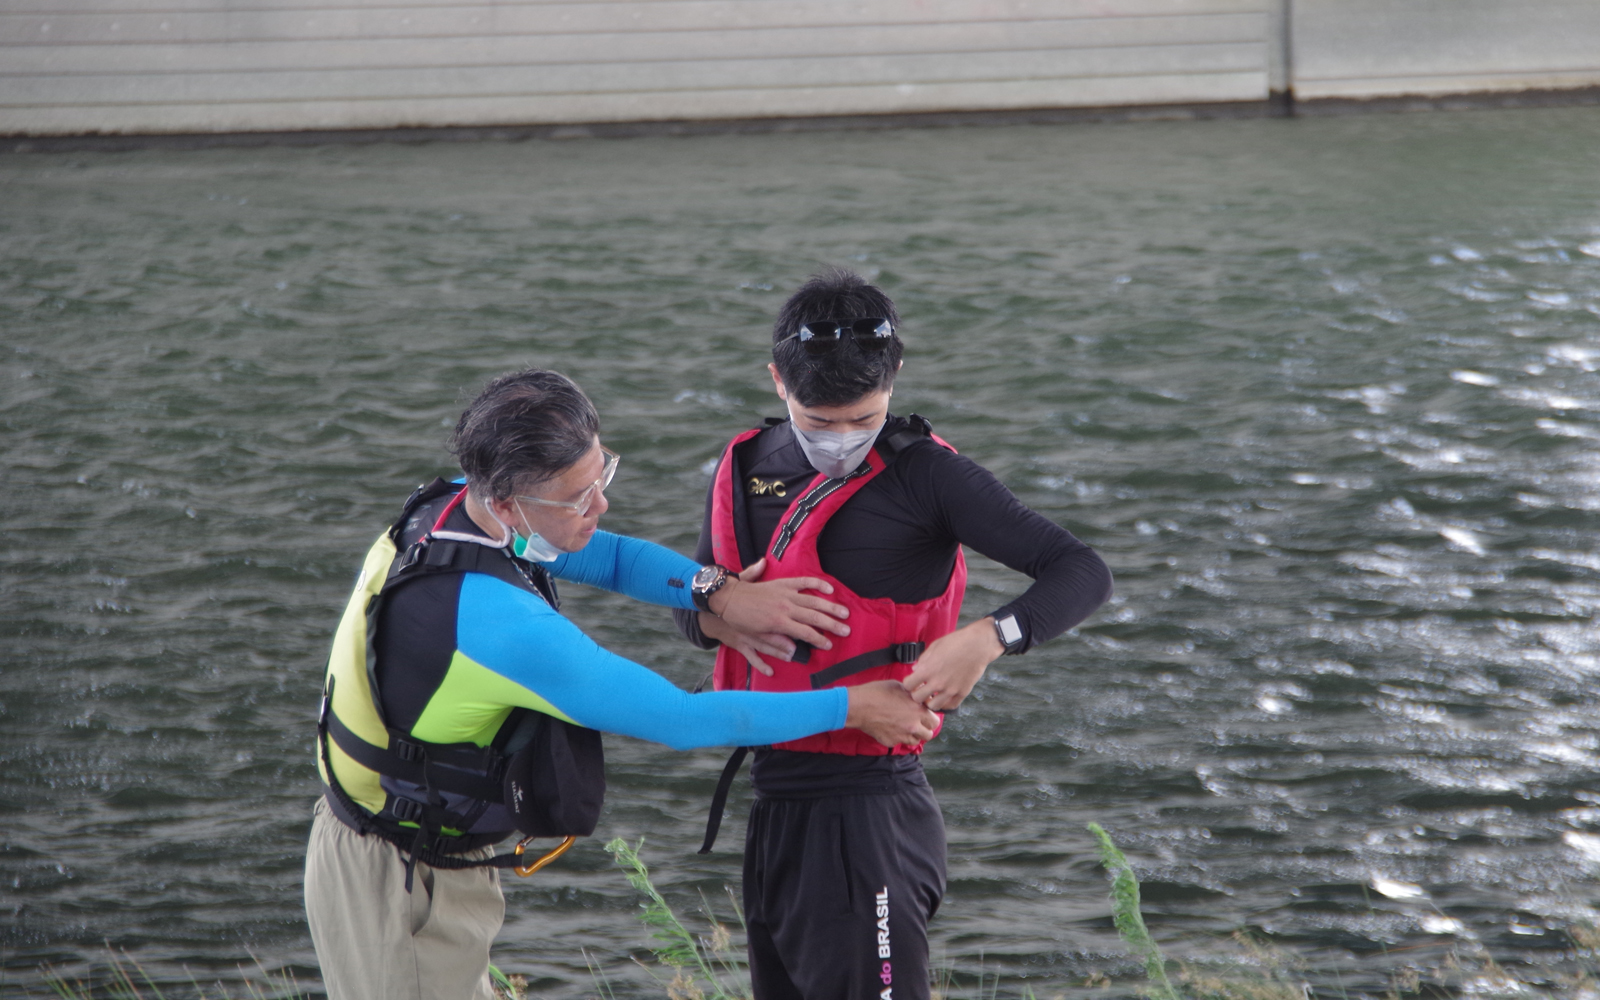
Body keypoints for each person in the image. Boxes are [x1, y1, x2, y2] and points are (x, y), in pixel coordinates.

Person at [304, 367, 939, 1000]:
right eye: (578, 497)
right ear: (505, 499)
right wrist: (851, 706)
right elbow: (682, 718)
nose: (599, 505)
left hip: (411, 846)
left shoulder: (459, 507)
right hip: (393, 879)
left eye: (600, 475)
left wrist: (718, 591)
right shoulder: (500, 625)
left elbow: (607, 555)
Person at [674, 268, 1114, 1000]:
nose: (841, 439)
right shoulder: (748, 466)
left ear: (896, 376)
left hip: (869, 810)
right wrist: (725, 607)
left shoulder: (931, 479)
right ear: (777, 380)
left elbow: (1082, 570)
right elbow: (693, 617)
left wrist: (989, 636)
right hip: (773, 802)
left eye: (864, 419)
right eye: (819, 422)